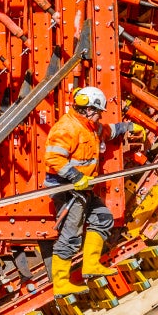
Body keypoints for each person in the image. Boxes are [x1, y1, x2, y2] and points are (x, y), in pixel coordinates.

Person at [44, 85, 136, 296]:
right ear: (87, 109)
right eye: (97, 112)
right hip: (66, 189)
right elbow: (53, 158)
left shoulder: (90, 127)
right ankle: (60, 283)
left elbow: (108, 131)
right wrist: (76, 177)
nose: (98, 116)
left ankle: (91, 264)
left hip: (83, 188)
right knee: (71, 235)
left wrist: (127, 127)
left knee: (103, 218)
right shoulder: (67, 128)